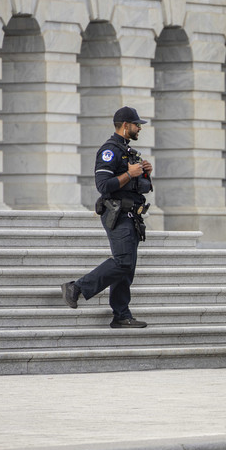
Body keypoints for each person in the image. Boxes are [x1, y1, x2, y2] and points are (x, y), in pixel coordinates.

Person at [60, 106, 153, 328]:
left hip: (132, 216)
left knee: (127, 268)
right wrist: (129, 174)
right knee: (122, 262)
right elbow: (103, 186)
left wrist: (145, 173)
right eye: (136, 124)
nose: (139, 128)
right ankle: (77, 288)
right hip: (117, 214)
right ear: (124, 126)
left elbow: (145, 187)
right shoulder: (109, 151)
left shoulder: (130, 153)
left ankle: (121, 315)